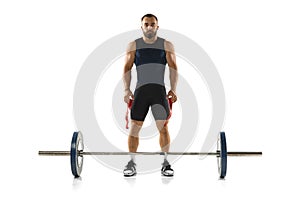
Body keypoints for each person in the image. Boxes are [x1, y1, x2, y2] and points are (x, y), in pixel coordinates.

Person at [123, 14, 178, 177]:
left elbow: (173, 68)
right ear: (141, 27)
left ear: (157, 27)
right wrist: (126, 90)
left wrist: (173, 89)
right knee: (134, 128)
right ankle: (131, 162)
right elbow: (126, 68)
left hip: (158, 91)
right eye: (146, 24)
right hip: (141, 91)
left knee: (163, 127)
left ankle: (166, 163)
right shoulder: (134, 45)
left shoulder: (166, 45)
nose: (149, 27)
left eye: (152, 24)